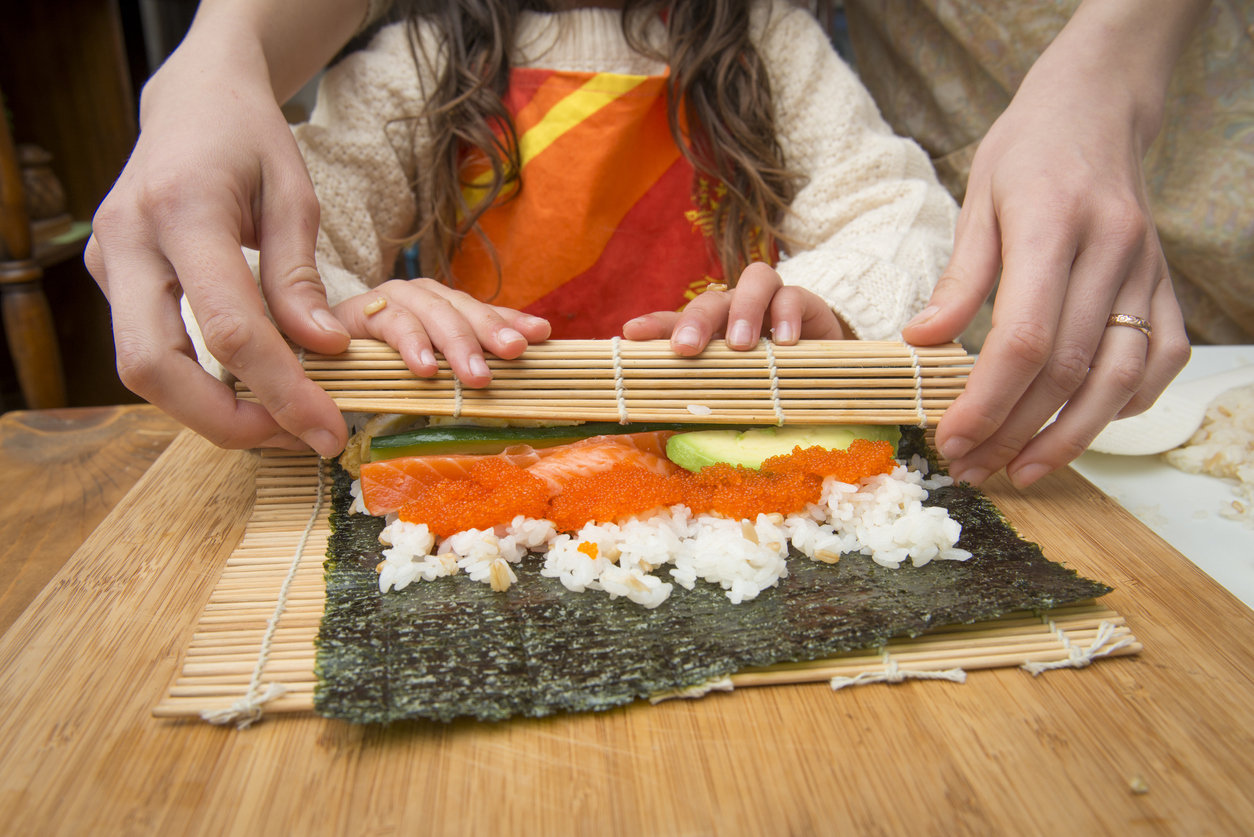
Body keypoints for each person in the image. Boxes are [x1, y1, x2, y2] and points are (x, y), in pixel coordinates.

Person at [87, 0, 1220, 486]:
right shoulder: (419, 63)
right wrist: (371, 306)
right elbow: (257, 250)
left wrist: (818, 303)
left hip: (726, 464)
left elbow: (900, 209)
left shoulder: (766, 44)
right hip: (488, 462)